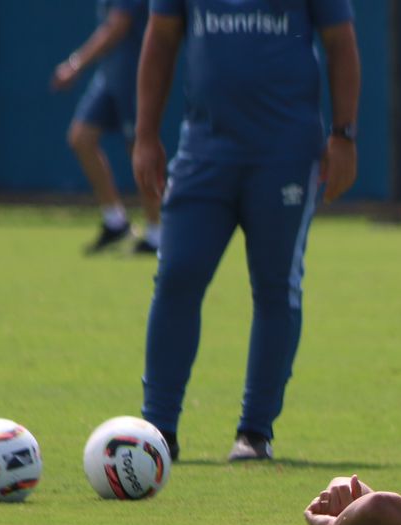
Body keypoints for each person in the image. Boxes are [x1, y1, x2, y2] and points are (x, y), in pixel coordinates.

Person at [132, 0, 360, 463]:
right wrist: (144, 136)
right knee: (177, 276)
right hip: (204, 150)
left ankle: (254, 433)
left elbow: (341, 43)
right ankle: (158, 431)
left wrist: (344, 135)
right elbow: (160, 37)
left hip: (285, 153)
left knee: (276, 287)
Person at [51, 1, 160, 254]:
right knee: (81, 138)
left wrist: (75, 64)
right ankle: (115, 222)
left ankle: (158, 233)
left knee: (139, 149)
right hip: (109, 73)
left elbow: (117, 26)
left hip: (135, 74)